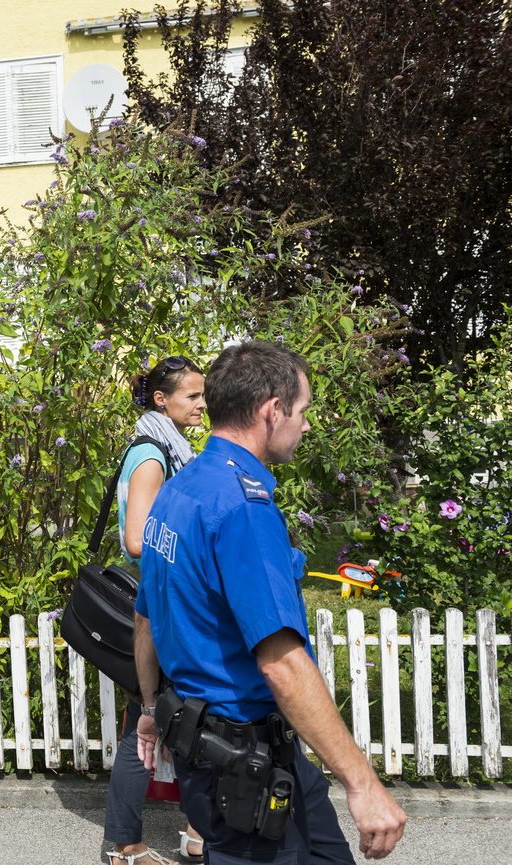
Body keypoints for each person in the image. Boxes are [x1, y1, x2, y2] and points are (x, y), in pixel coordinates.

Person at [133, 341, 408, 863]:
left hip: (229, 751)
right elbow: (281, 662)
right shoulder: (241, 506)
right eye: (302, 412)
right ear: (271, 411)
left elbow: (146, 613)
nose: (306, 426)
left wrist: (150, 708)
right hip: (242, 761)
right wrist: (362, 784)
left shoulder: (178, 487)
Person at [105, 357, 207, 865]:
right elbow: (137, 539)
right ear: (162, 400)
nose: (202, 404)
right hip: (160, 610)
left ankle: (195, 832)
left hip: (171, 606)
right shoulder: (151, 453)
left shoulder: (169, 447)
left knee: (181, 722)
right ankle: (124, 846)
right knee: (144, 726)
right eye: (192, 396)